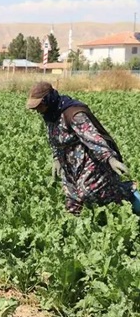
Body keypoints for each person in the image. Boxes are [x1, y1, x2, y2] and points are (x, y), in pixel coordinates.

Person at [26, 81, 139, 216]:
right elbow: (54, 139)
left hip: (89, 160)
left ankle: (128, 191)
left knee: (88, 192)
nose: (37, 110)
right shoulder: (50, 114)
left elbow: (93, 138)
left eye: (39, 106)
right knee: (72, 201)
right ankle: (76, 230)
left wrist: (110, 158)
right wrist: (56, 157)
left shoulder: (73, 114)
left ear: (48, 100)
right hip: (69, 164)